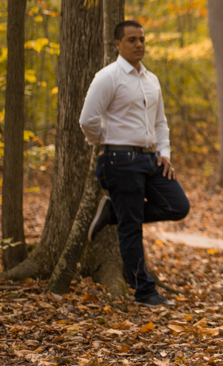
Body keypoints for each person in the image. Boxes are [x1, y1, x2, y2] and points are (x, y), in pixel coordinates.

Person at [79, 20, 190, 307]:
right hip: (119, 160)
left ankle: (113, 212)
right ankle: (145, 293)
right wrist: (107, 140)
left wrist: (164, 153)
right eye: (131, 40)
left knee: (177, 206)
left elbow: (160, 122)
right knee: (132, 228)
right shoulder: (109, 77)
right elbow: (87, 120)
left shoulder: (151, 80)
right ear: (117, 44)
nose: (139, 44)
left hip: (149, 159)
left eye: (141, 39)